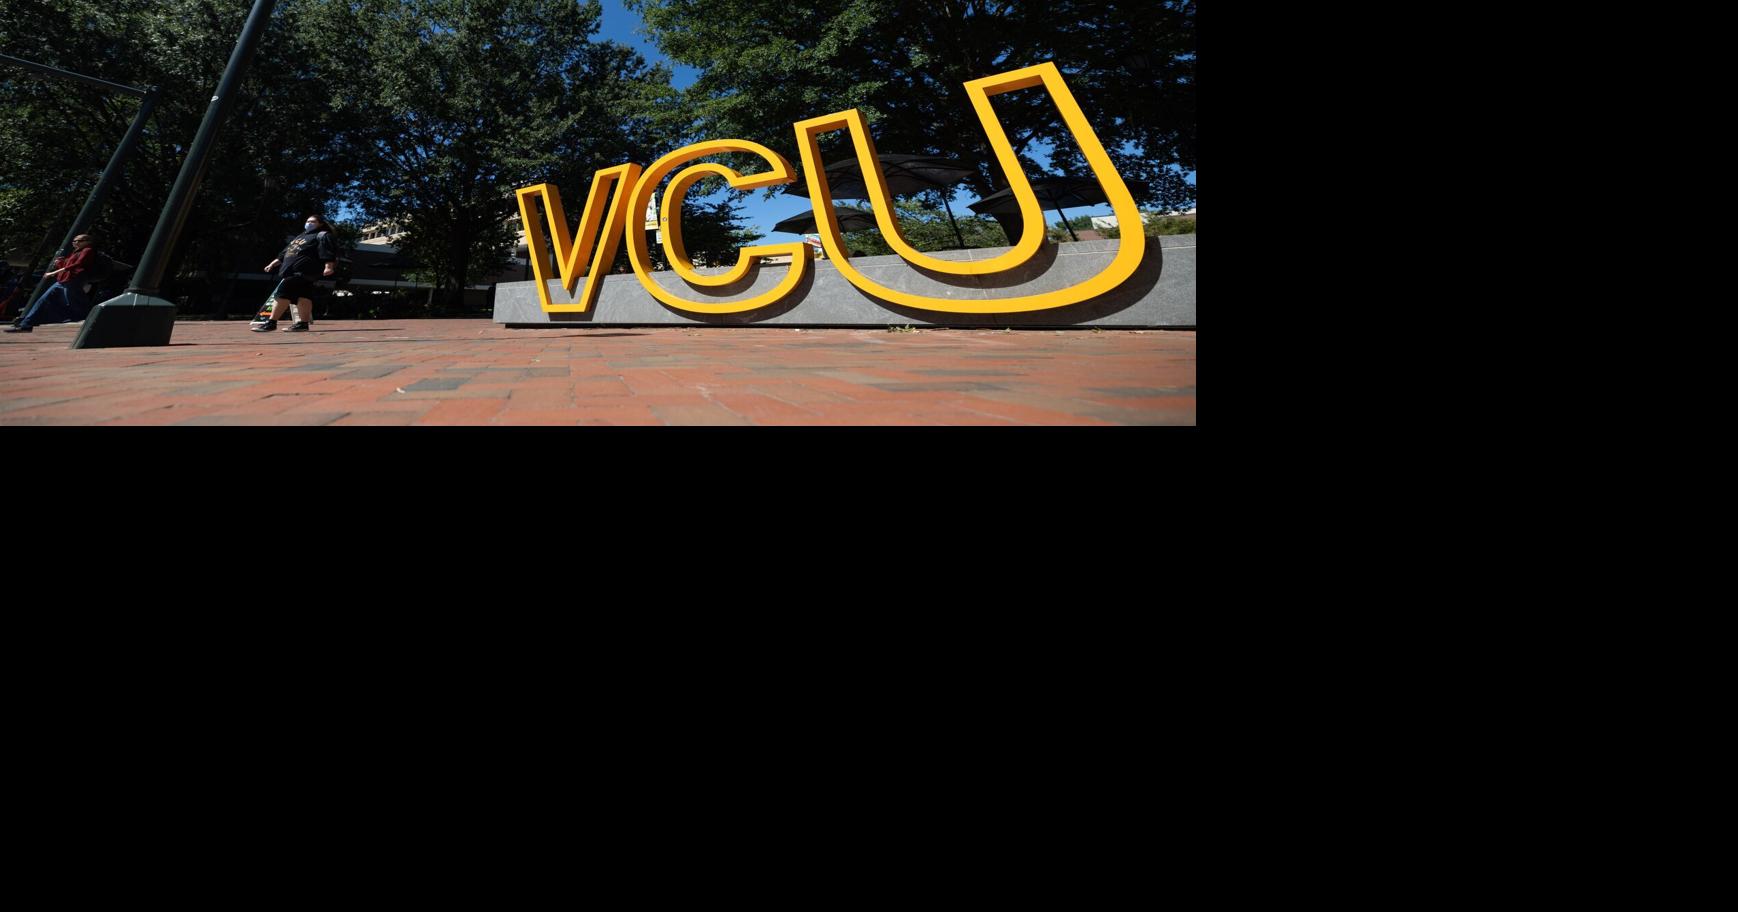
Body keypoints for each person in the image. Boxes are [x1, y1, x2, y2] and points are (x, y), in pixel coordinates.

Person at [253, 214, 337, 332]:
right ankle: (303, 324)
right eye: (308, 221)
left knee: (282, 294)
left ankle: (271, 323)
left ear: (320, 224)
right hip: (292, 272)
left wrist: (328, 266)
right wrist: (272, 264)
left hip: (304, 271)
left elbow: (327, 251)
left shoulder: (323, 235)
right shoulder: (300, 237)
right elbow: (285, 253)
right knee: (304, 297)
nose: (309, 223)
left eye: (312, 222)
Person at [5, 233, 100, 333]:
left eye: (79, 241)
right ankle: (26, 325)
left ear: (88, 242)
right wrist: (60, 262)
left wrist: (53, 272)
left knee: (78, 306)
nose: (75, 243)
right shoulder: (76, 252)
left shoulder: (88, 250)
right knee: (43, 300)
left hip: (73, 282)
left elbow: (78, 264)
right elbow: (67, 266)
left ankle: (98, 322)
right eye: (74, 241)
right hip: (62, 281)